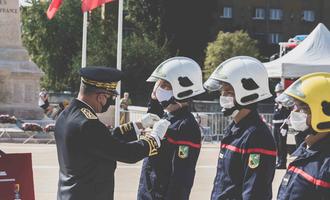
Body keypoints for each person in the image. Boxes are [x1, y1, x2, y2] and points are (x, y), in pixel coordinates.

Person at [55, 66, 171, 200]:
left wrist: (138, 125)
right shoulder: (88, 124)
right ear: (101, 97)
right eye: (111, 97)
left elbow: (104, 140)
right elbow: (127, 153)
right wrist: (154, 138)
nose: (109, 102)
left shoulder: (67, 114)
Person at [204, 56, 276, 200]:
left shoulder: (257, 136)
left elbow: (254, 193)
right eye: (222, 92)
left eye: (229, 92)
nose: (223, 97)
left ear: (247, 94)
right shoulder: (235, 128)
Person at [136, 57, 206, 200]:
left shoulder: (186, 126)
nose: (159, 88)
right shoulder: (167, 117)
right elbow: (154, 114)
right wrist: (154, 98)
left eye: (165, 85)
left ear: (182, 89)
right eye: (159, 84)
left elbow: (181, 178)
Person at [276, 72, 330, 200]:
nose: (294, 113)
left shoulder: (325, 166)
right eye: (295, 107)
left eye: (303, 109)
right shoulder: (306, 151)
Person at [272, 82, 291, 169]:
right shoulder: (276, 102)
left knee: (282, 145)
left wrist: (285, 127)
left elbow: (287, 115)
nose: (278, 93)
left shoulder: (285, 103)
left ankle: (283, 163)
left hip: (282, 126)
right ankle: (279, 160)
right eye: (277, 92)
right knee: (277, 145)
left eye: (279, 92)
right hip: (276, 126)